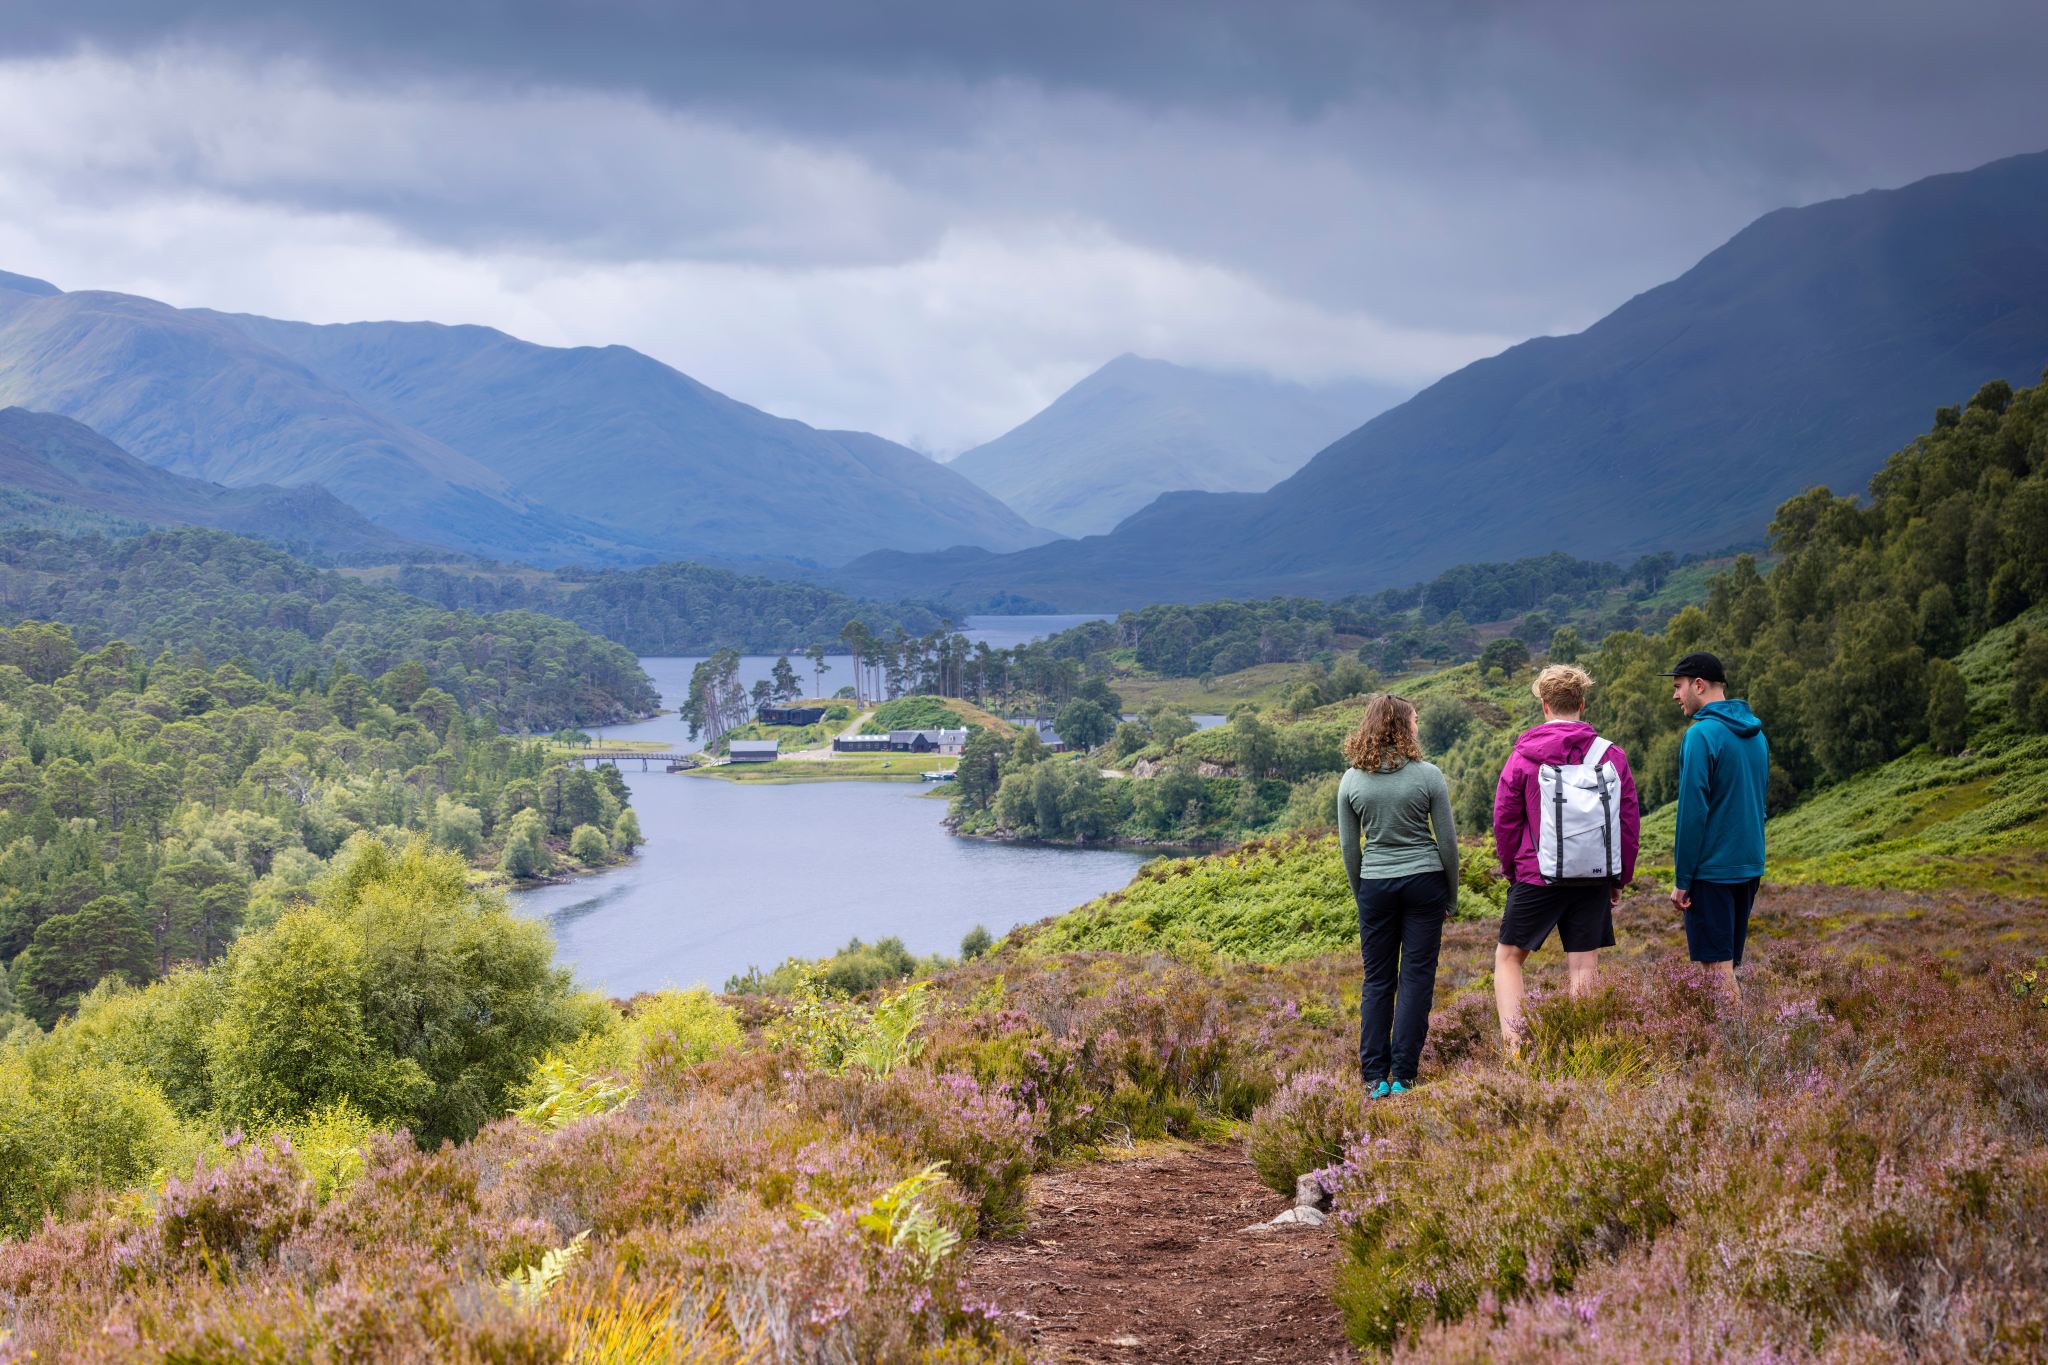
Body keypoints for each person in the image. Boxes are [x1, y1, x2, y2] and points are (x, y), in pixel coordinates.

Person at [1490, 665, 1639, 1055]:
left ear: (1544, 705)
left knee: (1508, 959)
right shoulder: (1610, 755)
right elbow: (1627, 822)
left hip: (1536, 875)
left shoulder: (1523, 756)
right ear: (1582, 703)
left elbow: (1505, 821)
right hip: (1592, 874)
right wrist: (1617, 879)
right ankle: (1585, 1051)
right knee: (1583, 966)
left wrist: (1513, 871)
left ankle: (1517, 1052)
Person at [1338, 693, 1458, 1098]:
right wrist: (1451, 895)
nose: (1418, 726)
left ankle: (1374, 1076)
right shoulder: (1429, 775)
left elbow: (1350, 850)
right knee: (1416, 978)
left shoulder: (1352, 780)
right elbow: (1448, 845)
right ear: (1402, 725)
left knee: (1377, 980)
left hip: (1376, 886)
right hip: (1426, 883)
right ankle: (1403, 1076)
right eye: (1415, 720)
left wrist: (1362, 894)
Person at [1664, 651, 1768, 995]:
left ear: (1699, 685)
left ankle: (1737, 1048)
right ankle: (1734, 1043)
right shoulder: (1756, 734)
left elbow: (1693, 813)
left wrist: (1683, 879)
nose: (1676, 695)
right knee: (1726, 967)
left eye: (1679, 687)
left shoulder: (1701, 735)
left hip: (1712, 872)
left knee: (1716, 972)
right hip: (1748, 867)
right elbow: (1759, 802)